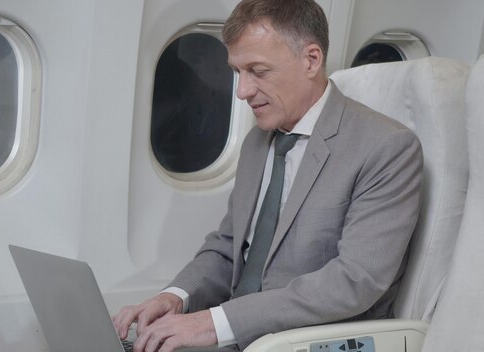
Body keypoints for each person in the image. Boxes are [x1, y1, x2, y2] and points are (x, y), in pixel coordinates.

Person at [112, 0, 423, 351]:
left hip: (304, 342)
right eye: (237, 72)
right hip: (243, 339)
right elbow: (230, 247)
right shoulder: (258, 142)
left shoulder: (386, 147)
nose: (243, 91)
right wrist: (176, 297)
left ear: (311, 60)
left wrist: (216, 323)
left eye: (258, 71)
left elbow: (355, 281)